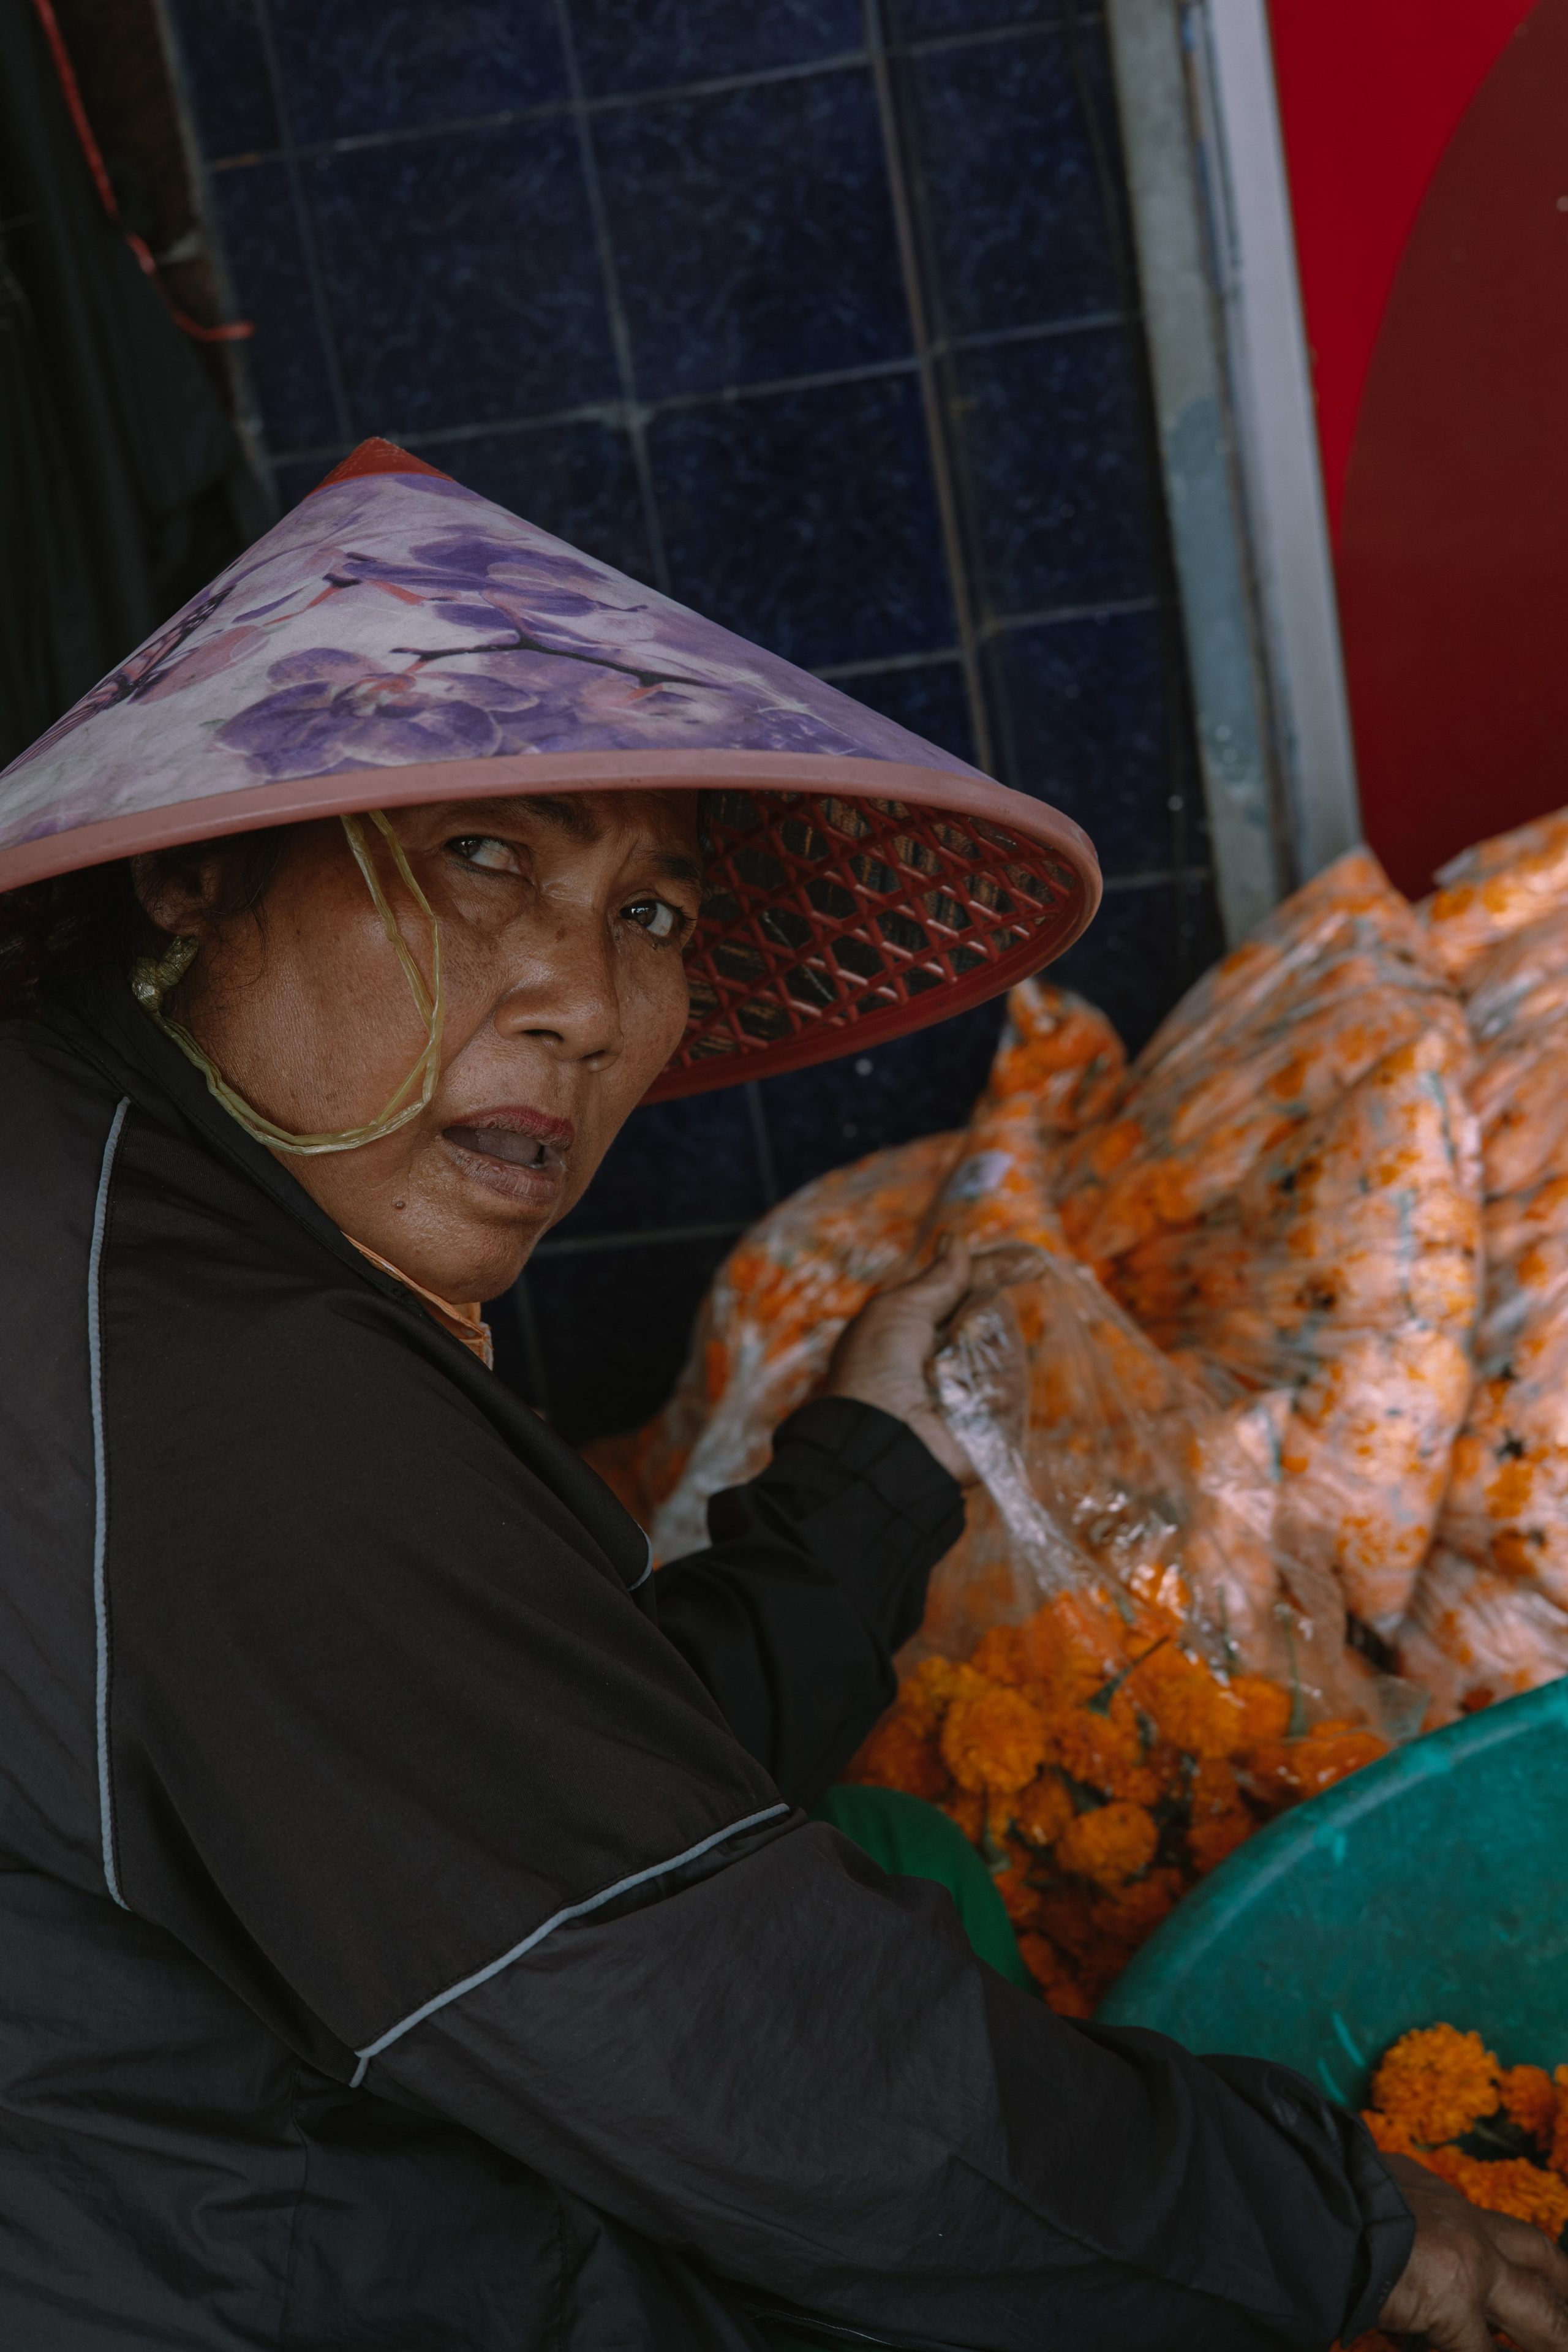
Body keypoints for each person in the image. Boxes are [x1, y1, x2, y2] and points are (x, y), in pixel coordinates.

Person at [0, 441, 1563, 2352]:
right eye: (485, 856)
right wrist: (1368, 2224)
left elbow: (529, 1792)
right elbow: (758, 2060)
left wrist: (868, 1477)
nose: (583, 997)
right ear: (190, 870)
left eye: (651, 913)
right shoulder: (226, 1384)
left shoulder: (112, 1198)